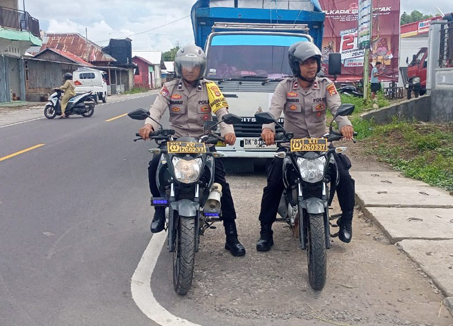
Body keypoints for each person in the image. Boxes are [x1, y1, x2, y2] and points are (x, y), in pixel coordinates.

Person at [138, 44, 246, 257]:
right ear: (179, 67)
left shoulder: (210, 88)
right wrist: (149, 126)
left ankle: (231, 235)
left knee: (221, 184)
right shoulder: (169, 87)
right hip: (175, 142)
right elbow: (156, 109)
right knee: (154, 167)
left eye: (194, 66)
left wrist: (228, 132)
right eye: (186, 65)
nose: (190, 70)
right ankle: (160, 208)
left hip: (203, 144)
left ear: (201, 68)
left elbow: (222, 112)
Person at [256, 41, 356, 252]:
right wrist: (268, 129)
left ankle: (346, 220)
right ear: (295, 65)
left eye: (315, 62)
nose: (312, 67)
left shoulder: (326, 84)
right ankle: (266, 230)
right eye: (306, 63)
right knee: (274, 182)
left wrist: (345, 126)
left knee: (344, 176)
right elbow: (274, 110)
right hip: (292, 144)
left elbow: (337, 108)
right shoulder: (285, 86)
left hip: (320, 144)